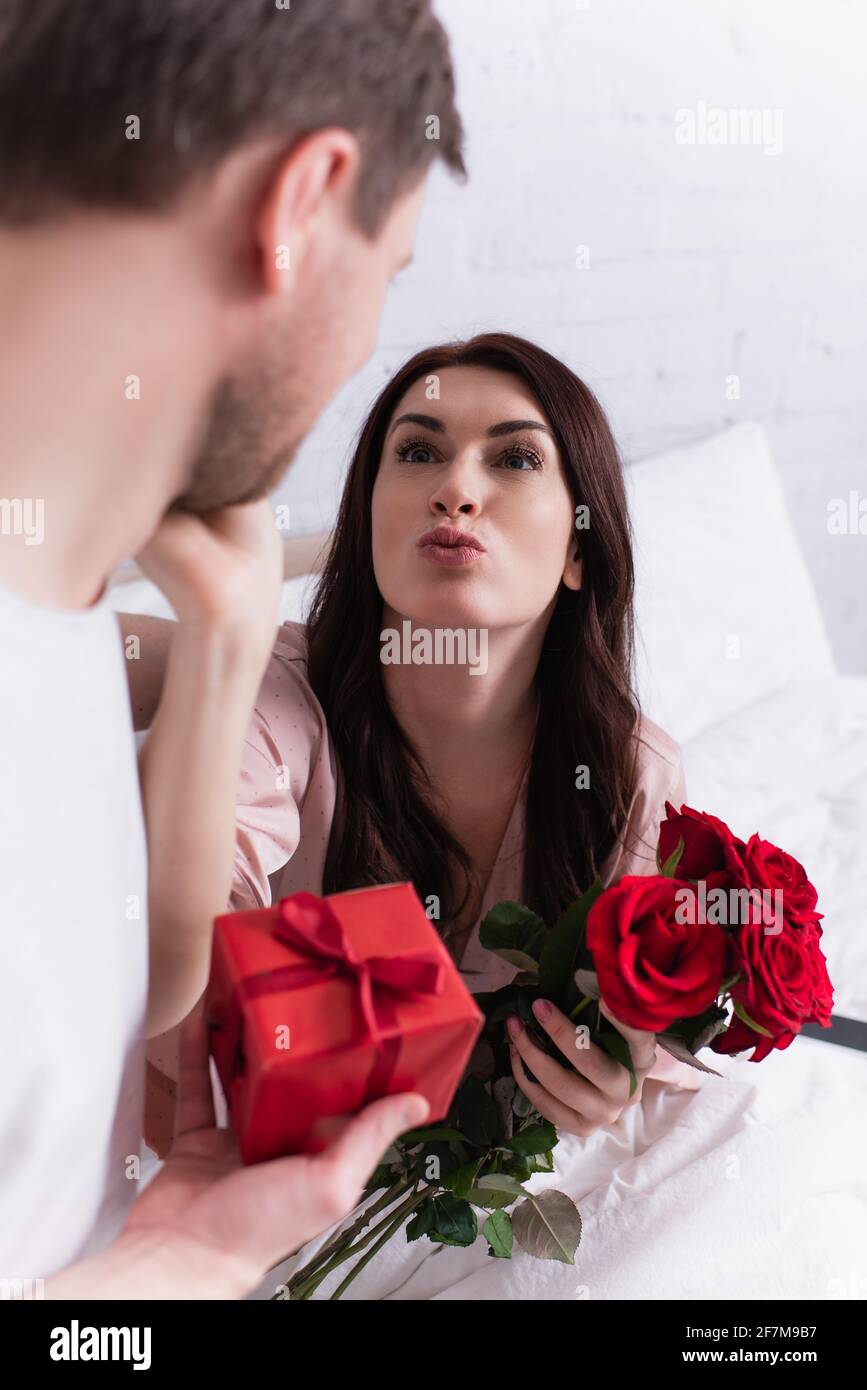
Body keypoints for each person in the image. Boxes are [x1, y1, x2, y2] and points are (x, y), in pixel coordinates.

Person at [0, 0, 465, 1299]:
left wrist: (173, 1253)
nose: (369, 345)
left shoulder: (65, 591)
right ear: (300, 205)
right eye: (391, 269)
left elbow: (100, 1002)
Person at [124, 334, 703, 1190]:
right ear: (367, 524)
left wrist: (609, 1082)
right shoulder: (276, 697)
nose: (455, 490)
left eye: (513, 458)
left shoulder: (630, 774)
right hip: (216, 1174)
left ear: (580, 548)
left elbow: (643, 1030)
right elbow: (189, 929)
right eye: (419, 451)